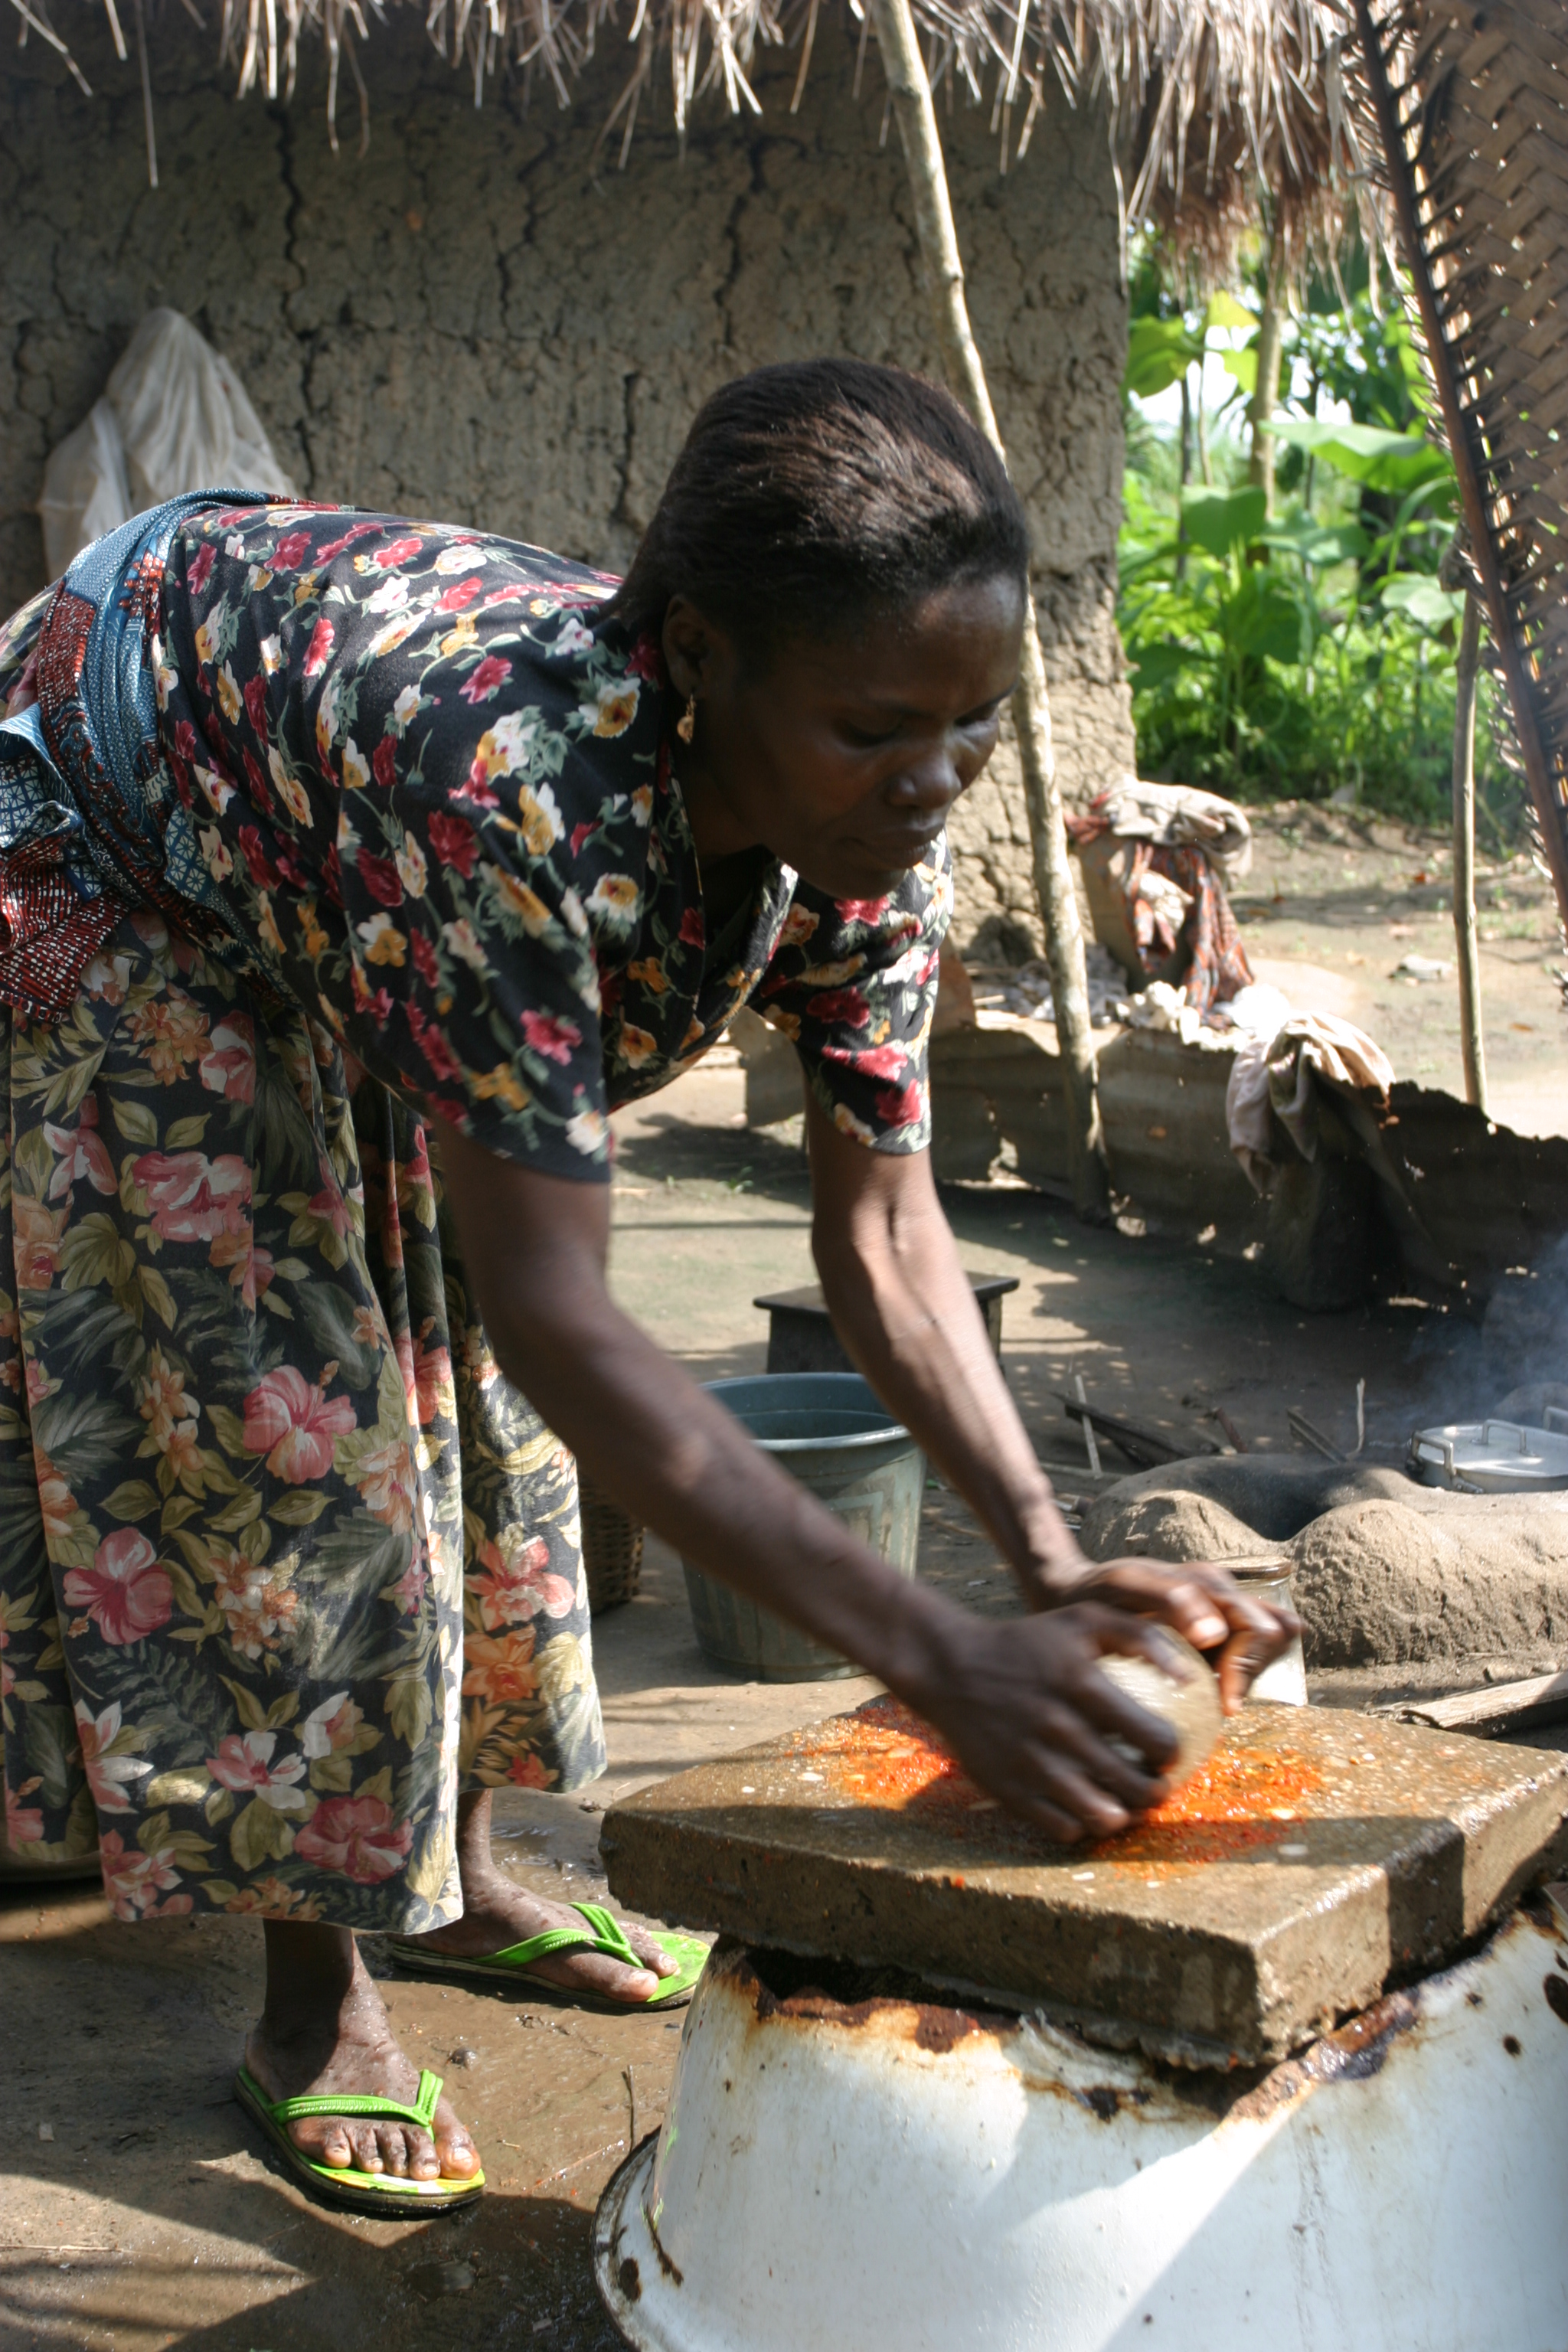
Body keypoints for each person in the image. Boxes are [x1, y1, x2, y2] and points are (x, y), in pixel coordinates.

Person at [0, 358, 1293, 2210]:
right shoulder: (505, 800)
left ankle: (455, 1875)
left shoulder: (867, 824)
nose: (932, 779)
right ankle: (315, 1989)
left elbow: (888, 1235)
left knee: (455, 1364)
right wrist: (935, 1659)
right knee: (282, 1411)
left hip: (326, 830)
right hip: (123, 834)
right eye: (876, 728)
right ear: (698, 658)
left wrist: (1040, 1559)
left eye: (973, 723)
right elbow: (568, 1319)